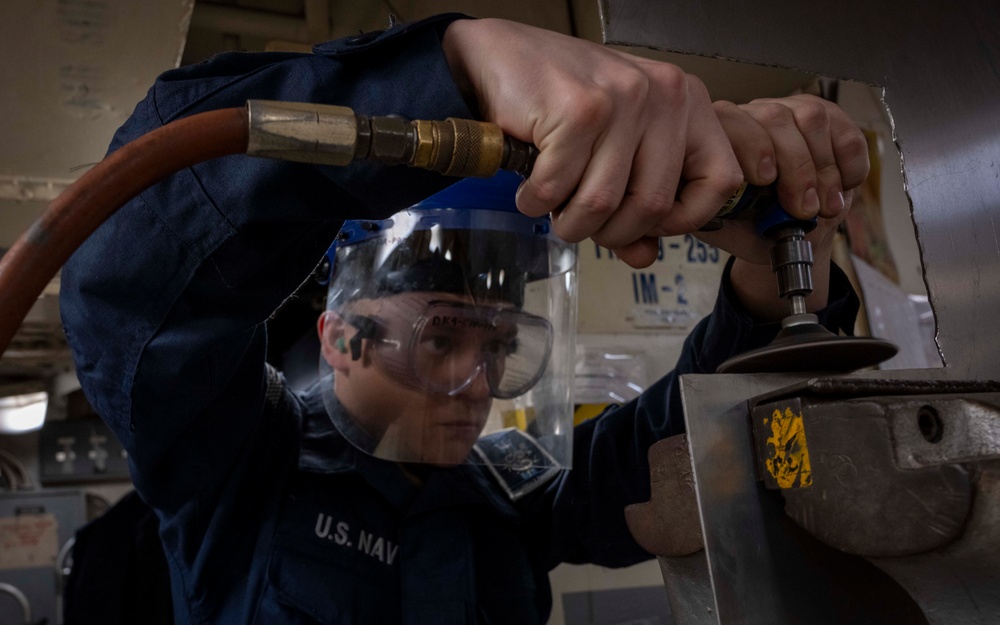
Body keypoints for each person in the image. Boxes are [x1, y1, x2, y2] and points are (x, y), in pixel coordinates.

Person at [58, 13, 866, 625]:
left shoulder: (504, 489)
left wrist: (770, 281)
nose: (477, 383)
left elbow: (661, 456)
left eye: (503, 345)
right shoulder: (242, 464)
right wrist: (452, 74)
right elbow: (131, 271)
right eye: (441, 338)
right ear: (341, 337)